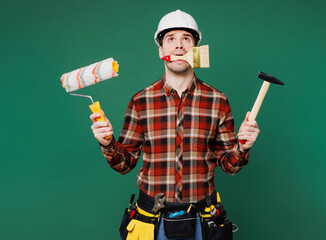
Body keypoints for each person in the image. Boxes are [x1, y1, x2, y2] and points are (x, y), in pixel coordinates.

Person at [90, 9, 260, 240]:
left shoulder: (217, 101)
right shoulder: (140, 101)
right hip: (151, 221)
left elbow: (229, 166)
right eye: (171, 39)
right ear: (161, 50)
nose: (179, 46)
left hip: (204, 221)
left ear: (196, 49)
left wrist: (243, 147)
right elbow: (124, 164)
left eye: (186, 39)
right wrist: (108, 143)